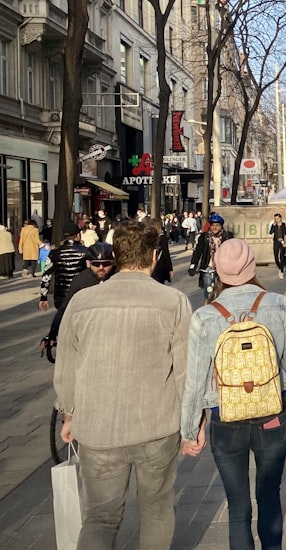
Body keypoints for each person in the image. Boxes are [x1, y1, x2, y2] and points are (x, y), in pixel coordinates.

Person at [54, 221, 191, 549]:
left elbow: (67, 365)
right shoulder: (173, 302)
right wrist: (193, 422)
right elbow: (187, 369)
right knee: (157, 508)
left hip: (98, 427)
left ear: (116, 255)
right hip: (156, 425)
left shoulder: (82, 302)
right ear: (154, 256)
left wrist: (68, 413)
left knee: (100, 517)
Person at [180, 238, 286, 550]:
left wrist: (188, 429)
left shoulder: (205, 317)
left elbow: (195, 381)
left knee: (238, 506)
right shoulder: (279, 305)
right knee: (269, 495)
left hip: (225, 416)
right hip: (273, 412)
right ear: (252, 267)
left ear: (219, 272)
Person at [41, 242, 117, 349]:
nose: (101, 268)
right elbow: (65, 308)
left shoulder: (119, 277)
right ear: (89, 263)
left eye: (105, 264)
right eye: (96, 264)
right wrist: (52, 334)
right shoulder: (81, 281)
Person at [39, 222, 89, 313]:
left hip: (61, 296)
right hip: (81, 294)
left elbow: (46, 276)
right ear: (78, 235)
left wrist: (43, 297)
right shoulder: (86, 252)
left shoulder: (54, 253)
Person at [188, 213, 233, 300]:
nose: (214, 227)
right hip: (209, 267)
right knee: (208, 288)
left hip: (224, 268)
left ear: (221, 226)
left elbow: (233, 253)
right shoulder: (204, 237)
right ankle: (208, 303)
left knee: (225, 292)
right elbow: (197, 252)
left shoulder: (227, 237)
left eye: (217, 225)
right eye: (212, 225)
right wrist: (193, 265)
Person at [148, 216, 174, 284]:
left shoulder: (148, 237)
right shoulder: (162, 238)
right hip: (160, 265)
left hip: (148, 264)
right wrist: (170, 269)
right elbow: (166, 253)